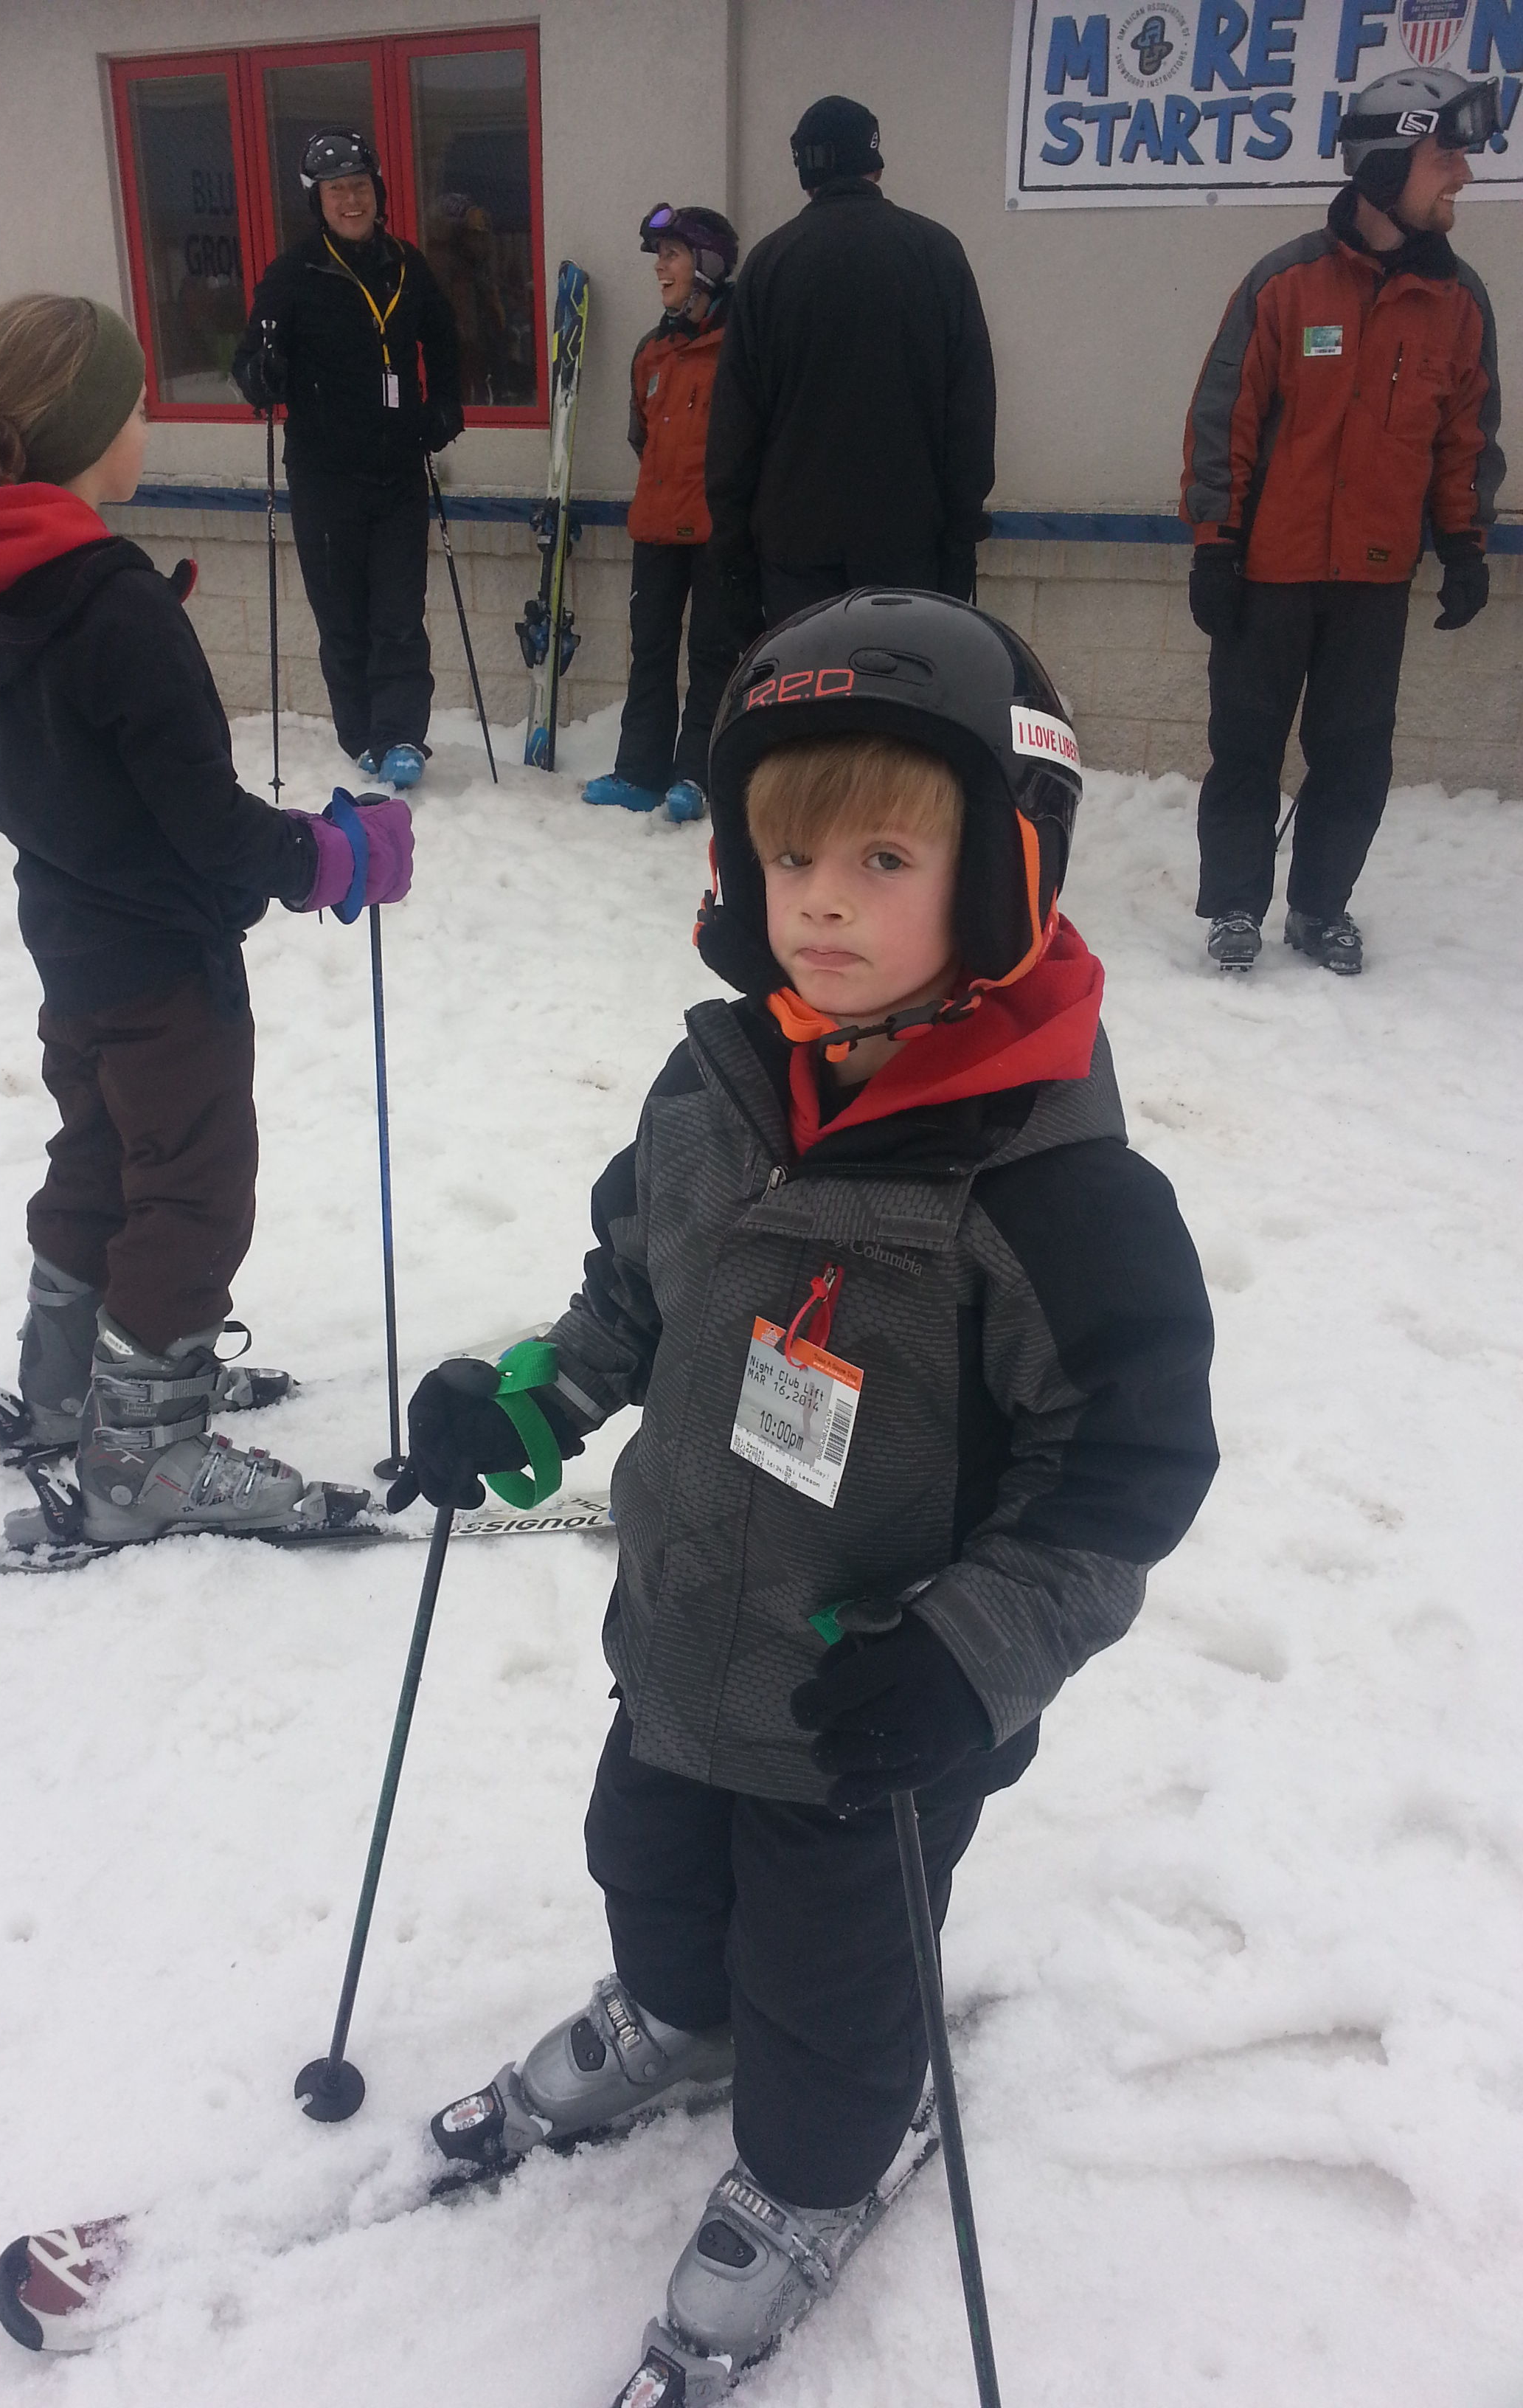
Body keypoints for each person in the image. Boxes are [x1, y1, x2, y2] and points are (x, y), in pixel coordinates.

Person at [391, 591, 1218, 2395]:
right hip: (685, 1634)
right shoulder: (716, 1090)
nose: (820, 901)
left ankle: (820, 2167)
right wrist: (524, 1399)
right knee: (646, 1862)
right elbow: (636, 1293)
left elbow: (1121, 1474)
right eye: (786, 857)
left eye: (883, 858)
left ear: (1001, 876)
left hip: (869, 1705)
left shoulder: (1051, 1185)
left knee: (835, 1979)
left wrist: (965, 1659)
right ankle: (678, 2017)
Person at [0, 293, 415, 1543]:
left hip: (72, 955)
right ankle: (142, 1449)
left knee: (97, 1154)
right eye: (133, 405)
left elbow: (99, 792)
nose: (146, 424)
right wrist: (330, 856)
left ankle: (66, 1385)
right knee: (192, 1187)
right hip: (163, 969)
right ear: (85, 432)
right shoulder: (113, 606)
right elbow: (207, 829)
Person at [1182, 64, 1505, 978]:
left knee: (1355, 757)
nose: (1463, 175)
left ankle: (1321, 907)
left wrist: (1466, 545)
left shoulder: (1458, 303)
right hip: (1267, 575)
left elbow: (1466, 434)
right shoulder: (1285, 285)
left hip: (1374, 578)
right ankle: (1235, 905)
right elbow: (1223, 420)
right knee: (1245, 749)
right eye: (1445, 158)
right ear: (1385, 165)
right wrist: (1215, 545)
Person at [704, 97, 996, 638]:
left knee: (809, 690)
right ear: (874, 165)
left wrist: (732, 553)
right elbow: (971, 413)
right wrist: (961, 536)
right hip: (909, 551)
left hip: (795, 555)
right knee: (900, 688)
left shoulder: (770, 266)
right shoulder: (936, 253)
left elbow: (734, 430)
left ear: (807, 172)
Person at [232, 130, 463, 792]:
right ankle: (362, 734)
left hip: (397, 471)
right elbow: (249, 364)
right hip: (324, 477)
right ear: (319, 202)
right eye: (337, 191)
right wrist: (263, 375)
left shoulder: (406, 266)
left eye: (360, 187)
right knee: (342, 615)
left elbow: (445, 343)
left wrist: (444, 410)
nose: (351, 200)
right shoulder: (293, 273)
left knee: (400, 611)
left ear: (378, 193)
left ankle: (401, 735)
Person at [583, 204, 741, 826]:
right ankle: (640, 771)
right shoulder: (651, 352)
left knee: (711, 656)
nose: (660, 269)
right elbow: (641, 436)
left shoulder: (739, 349)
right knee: (649, 652)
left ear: (707, 265)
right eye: (659, 256)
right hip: (655, 531)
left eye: (672, 255)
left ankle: (696, 774)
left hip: (716, 534)